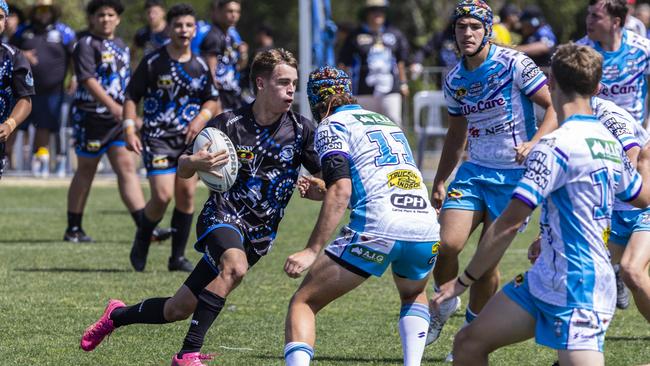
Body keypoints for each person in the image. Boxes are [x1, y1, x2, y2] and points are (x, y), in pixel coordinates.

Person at [79, 48, 321, 366]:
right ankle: (188, 353)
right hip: (221, 217)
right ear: (261, 83)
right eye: (283, 82)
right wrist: (194, 161)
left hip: (259, 234)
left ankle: (117, 315)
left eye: (294, 83)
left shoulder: (302, 130)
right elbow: (183, 167)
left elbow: (324, 184)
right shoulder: (229, 124)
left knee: (176, 309)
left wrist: (316, 188)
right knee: (234, 267)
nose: (291, 90)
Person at [432, 42, 650, 366]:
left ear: (551, 83)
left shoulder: (553, 146)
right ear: (597, 87)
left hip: (580, 287)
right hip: (542, 279)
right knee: (468, 343)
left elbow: (507, 224)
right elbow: (642, 197)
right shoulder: (607, 143)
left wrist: (461, 283)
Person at [283, 66, 440, 366]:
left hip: (379, 227)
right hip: (425, 227)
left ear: (320, 102)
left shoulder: (332, 125)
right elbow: (376, 176)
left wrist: (311, 250)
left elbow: (341, 189)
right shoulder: (388, 123)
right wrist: (325, 188)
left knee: (303, 303)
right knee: (413, 294)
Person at [427, 0, 557, 361]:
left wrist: (534, 143)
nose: (466, 33)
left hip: (515, 178)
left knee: (485, 269)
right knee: (445, 244)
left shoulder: (514, 64)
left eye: (474, 27)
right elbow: (456, 134)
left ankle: (471, 332)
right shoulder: (454, 78)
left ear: (487, 31)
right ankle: (444, 301)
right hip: (473, 172)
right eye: (460, 27)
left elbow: (554, 107)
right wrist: (440, 179)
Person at [124, 4, 222, 273]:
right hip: (157, 137)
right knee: (163, 195)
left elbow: (212, 99)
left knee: (186, 195)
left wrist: (201, 118)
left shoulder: (201, 64)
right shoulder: (154, 61)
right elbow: (132, 95)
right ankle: (143, 235)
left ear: (195, 30)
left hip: (189, 139)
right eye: (178, 25)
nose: (184, 30)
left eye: (189, 25)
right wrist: (130, 127)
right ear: (169, 28)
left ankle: (176, 257)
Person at [64, 0, 170, 243]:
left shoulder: (121, 45)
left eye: (110, 15)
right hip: (91, 116)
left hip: (117, 120)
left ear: (118, 19)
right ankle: (73, 228)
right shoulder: (85, 45)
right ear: (92, 19)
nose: (106, 19)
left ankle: (145, 228)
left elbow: (126, 80)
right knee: (86, 170)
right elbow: (88, 80)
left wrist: (129, 111)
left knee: (126, 167)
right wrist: (114, 107)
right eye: (100, 15)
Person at [11, 0, 76, 178]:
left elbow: (74, 56)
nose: (43, 13)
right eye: (39, 9)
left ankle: (43, 163)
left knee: (45, 126)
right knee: (13, 125)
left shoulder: (64, 31)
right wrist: (23, 55)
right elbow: (8, 51)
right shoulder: (22, 31)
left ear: (52, 11)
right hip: (22, 90)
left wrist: (75, 77)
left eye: (46, 9)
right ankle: (7, 162)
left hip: (52, 91)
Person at [338, 0, 409, 127]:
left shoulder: (394, 34)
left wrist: (403, 83)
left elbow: (400, 61)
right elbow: (344, 63)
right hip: (362, 91)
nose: (377, 14)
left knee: (394, 123)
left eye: (381, 10)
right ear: (366, 13)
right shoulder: (355, 35)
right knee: (362, 127)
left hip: (390, 90)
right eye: (373, 10)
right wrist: (342, 88)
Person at [579, 0, 650, 126]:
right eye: (589, 14)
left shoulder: (642, 48)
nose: (589, 20)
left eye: (596, 16)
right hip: (596, 133)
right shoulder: (579, 52)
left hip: (636, 133)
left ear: (615, 22)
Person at [0, 0, 35, 179]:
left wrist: (9, 124)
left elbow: (25, 99)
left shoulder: (14, 57)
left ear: (5, 22)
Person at [199, 0, 248, 111]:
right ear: (219, 12)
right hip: (220, 96)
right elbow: (211, 75)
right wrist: (215, 100)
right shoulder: (213, 36)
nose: (234, 15)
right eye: (229, 11)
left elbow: (240, 67)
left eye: (237, 11)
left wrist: (243, 54)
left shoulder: (232, 36)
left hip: (231, 93)